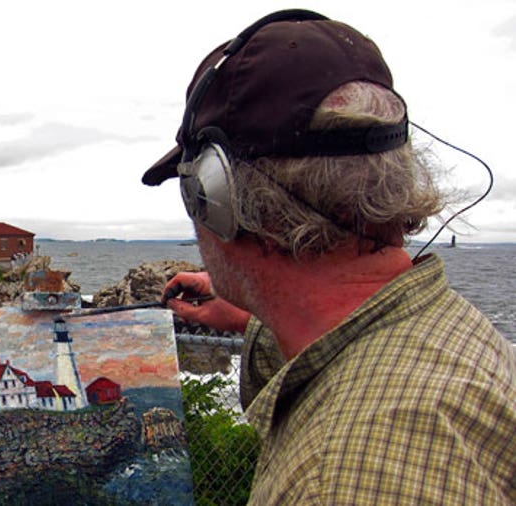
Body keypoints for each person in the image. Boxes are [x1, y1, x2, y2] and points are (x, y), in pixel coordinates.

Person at [142, 9, 516, 505]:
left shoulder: (338, 476)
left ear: (216, 198)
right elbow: (344, 356)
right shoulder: (448, 334)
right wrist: (249, 318)